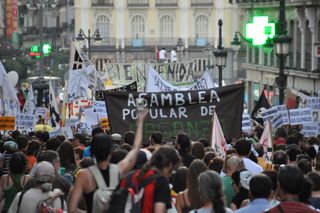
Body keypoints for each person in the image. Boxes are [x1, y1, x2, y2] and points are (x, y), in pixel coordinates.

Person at [68, 109, 148, 213]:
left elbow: (71, 209)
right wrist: (140, 122)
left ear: (92, 151)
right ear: (111, 151)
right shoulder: (119, 169)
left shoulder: (84, 175)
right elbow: (136, 148)